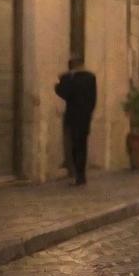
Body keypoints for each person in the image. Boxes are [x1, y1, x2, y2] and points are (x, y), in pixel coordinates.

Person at [54, 57, 97, 186]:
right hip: (85, 117)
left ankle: (74, 173)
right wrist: (89, 113)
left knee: (73, 145)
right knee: (82, 145)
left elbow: (63, 93)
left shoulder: (69, 78)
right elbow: (93, 98)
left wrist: (58, 83)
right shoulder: (91, 77)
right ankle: (81, 175)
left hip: (72, 116)